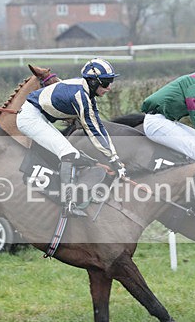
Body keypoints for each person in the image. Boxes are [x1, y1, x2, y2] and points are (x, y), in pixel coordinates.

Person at [17, 57, 126, 216]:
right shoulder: (80, 96)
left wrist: (113, 157)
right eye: (106, 82)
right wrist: (114, 159)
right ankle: (68, 203)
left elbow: (98, 127)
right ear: (94, 82)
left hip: (38, 116)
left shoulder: (86, 93)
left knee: (73, 153)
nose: (109, 87)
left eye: (111, 82)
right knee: (68, 154)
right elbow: (94, 130)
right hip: (30, 118)